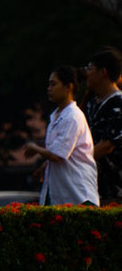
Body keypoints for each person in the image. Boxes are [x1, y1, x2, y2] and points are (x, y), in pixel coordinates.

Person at [24, 65, 99, 206]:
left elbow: (58, 155)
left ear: (68, 87)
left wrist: (35, 148)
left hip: (78, 196)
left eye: (53, 84)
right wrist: (46, 164)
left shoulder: (72, 116)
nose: (49, 88)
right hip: (64, 195)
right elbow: (61, 153)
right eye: (49, 84)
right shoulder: (57, 116)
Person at [83, 48, 122, 204]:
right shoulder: (91, 104)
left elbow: (106, 146)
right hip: (92, 188)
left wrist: (74, 165)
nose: (86, 73)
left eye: (90, 68)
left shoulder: (118, 104)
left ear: (103, 72)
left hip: (115, 190)